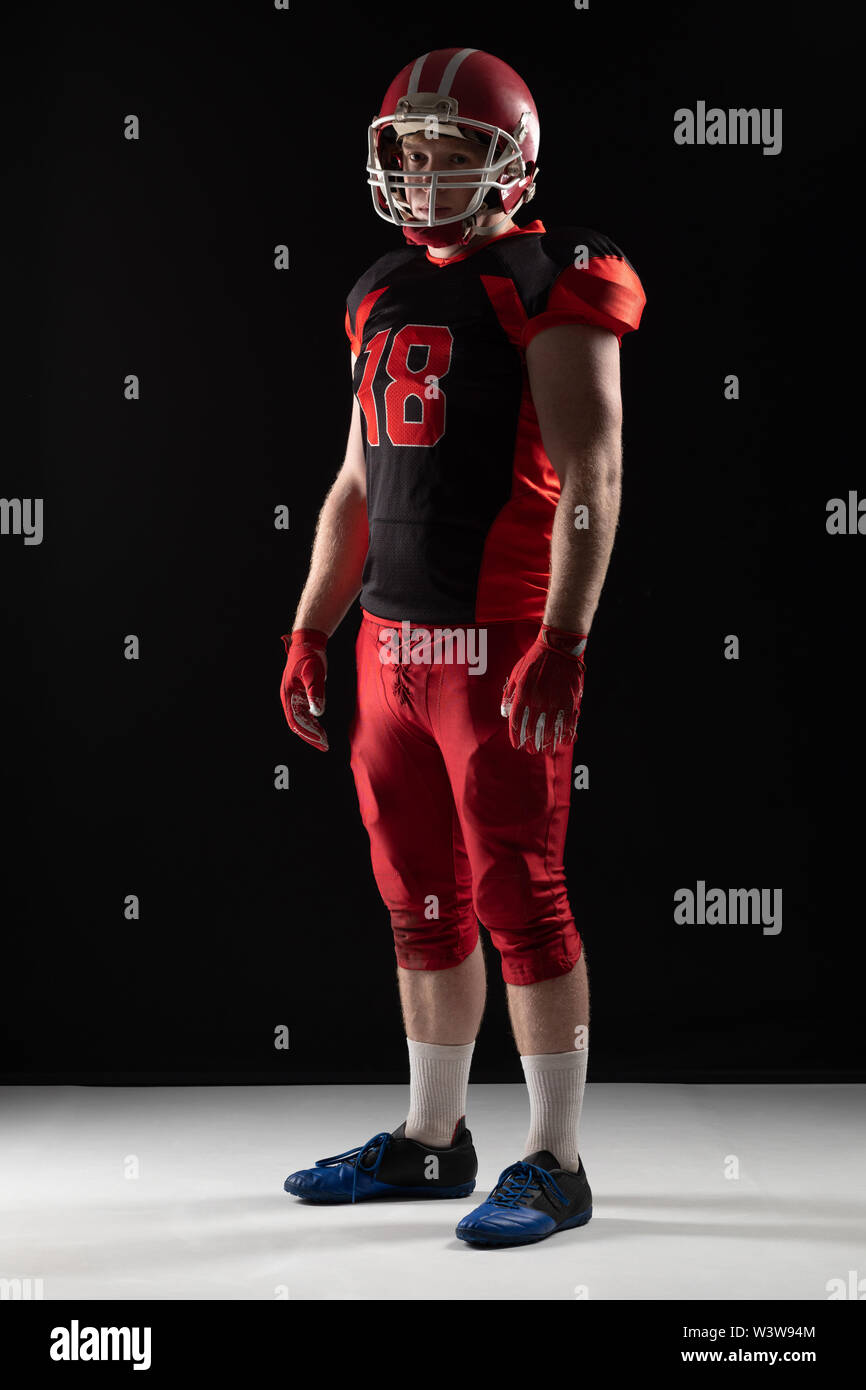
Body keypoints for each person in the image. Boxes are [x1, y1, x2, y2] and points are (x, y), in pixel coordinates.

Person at [280, 47, 646, 1247]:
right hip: (390, 643)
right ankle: (432, 1142)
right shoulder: (378, 288)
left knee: (519, 895)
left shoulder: (551, 276)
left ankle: (554, 1160)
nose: (429, 172)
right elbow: (349, 484)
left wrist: (566, 631)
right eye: (413, 150)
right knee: (417, 900)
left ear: (512, 161)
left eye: (453, 150)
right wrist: (311, 627)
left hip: (497, 643)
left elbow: (592, 473)